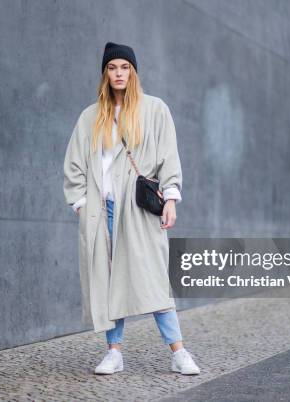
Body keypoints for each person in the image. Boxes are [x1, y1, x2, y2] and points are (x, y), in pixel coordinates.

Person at [63, 42, 200, 375]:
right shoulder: (91, 116)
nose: (118, 73)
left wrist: (170, 199)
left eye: (124, 67)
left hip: (138, 210)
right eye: (112, 68)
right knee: (108, 282)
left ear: (133, 72)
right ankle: (114, 351)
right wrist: (82, 205)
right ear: (105, 74)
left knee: (153, 278)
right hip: (103, 211)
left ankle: (179, 351)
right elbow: (74, 164)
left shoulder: (154, 110)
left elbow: (169, 156)